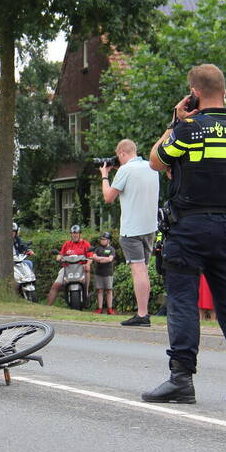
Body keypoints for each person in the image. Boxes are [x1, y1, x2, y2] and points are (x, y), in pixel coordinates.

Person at [143, 63, 226, 404]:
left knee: (182, 300)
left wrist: (174, 123)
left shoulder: (190, 128)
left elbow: (156, 160)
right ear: (224, 91)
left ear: (193, 93)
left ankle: (181, 378)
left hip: (189, 226)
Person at [100, 139, 160, 327]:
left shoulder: (125, 171)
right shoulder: (151, 167)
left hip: (132, 229)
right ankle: (144, 311)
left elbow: (108, 197)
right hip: (150, 227)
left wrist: (104, 175)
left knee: (138, 271)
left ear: (122, 154)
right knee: (144, 271)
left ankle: (142, 315)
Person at [46, 225, 93, 306]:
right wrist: (58, 257)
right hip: (67, 268)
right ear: (71, 234)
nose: (74, 235)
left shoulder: (85, 243)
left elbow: (90, 256)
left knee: (87, 269)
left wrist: (88, 263)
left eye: (76, 233)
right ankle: (48, 307)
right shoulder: (67, 244)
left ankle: (86, 292)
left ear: (80, 234)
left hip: (80, 267)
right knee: (56, 285)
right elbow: (61, 254)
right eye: (73, 233)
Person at [91, 232, 116, 314]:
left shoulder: (111, 249)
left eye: (104, 239)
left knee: (109, 290)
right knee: (99, 290)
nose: (102, 241)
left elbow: (110, 259)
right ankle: (100, 308)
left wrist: (99, 259)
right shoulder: (97, 249)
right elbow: (94, 257)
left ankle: (110, 309)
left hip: (108, 273)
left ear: (108, 240)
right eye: (101, 239)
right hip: (98, 273)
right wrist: (103, 259)